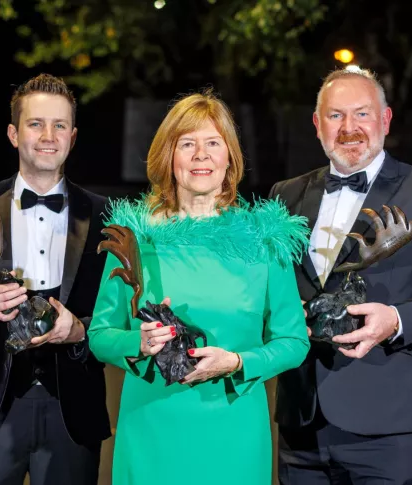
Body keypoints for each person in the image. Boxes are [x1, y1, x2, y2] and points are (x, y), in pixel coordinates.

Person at [88, 90, 310, 485]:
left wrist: (239, 363)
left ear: (230, 157)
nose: (200, 155)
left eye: (212, 143)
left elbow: (294, 340)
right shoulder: (134, 239)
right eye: (186, 144)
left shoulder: (265, 240)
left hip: (234, 430)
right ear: (169, 157)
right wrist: (136, 344)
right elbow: (101, 334)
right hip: (152, 427)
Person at [269, 67, 412, 484]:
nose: (349, 128)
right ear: (316, 124)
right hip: (301, 420)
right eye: (335, 116)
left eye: (362, 114)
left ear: (385, 119)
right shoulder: (283, 195)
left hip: (387, 425)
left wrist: (397, 320)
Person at [0, 73, 111, 485]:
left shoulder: (107, 216)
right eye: (35, 123)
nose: (48, 135)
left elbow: (122, 313)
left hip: (72, 411)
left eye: (59, 125)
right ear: (12, 132)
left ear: (72, 137)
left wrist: (80, 330)